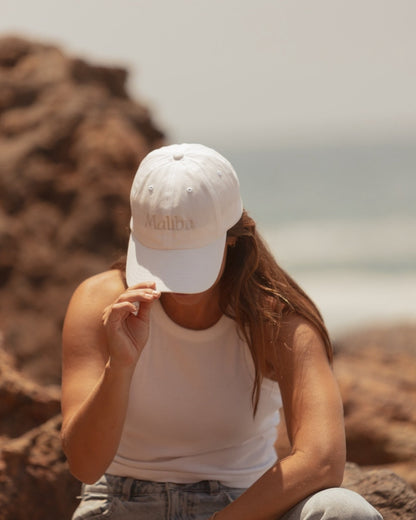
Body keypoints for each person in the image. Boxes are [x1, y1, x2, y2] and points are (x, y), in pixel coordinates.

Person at [61, 143, 382, 520]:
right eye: (160, 255)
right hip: (120, 503)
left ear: (234, 235)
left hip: (242, 509)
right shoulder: (99, 302)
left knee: (344, 511)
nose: (174, 284)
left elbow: (322, 461)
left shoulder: (278, 320)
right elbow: (84, 465)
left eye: (189, 258)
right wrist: (121, 366)